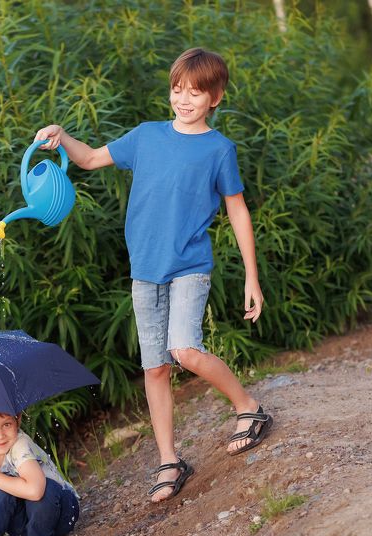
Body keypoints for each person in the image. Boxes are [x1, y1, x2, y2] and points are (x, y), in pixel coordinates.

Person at [34, 47, 274, 503]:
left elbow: (238, 211)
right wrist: (63, 136)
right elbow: (88, 160)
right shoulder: (145, 137)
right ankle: (170, 460)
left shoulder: (219, 150)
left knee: (184, 350)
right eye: (177, 90)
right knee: (155, 367)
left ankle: (249, 408)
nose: (184, 100)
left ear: (216, 98)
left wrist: (251, 277)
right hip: (144, 271)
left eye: (196, 93)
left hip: (189, 266)